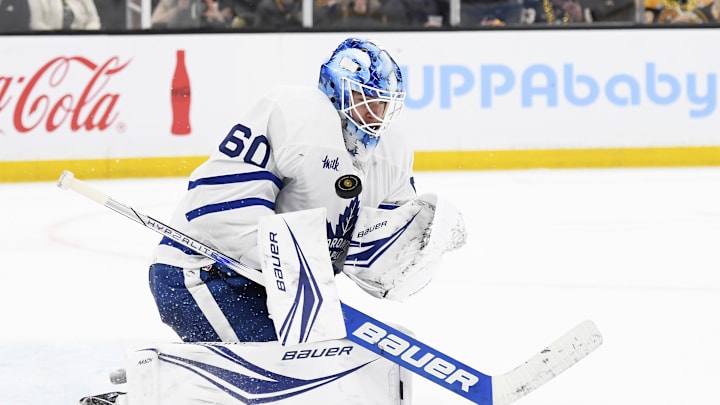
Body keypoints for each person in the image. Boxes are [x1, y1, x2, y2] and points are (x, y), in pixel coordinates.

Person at [78, 37, 466, 404]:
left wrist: (423, 241)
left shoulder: (391, 154)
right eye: (365, 100)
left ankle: (155, 391)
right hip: (200, 273)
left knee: (324, 377)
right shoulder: (296, 116)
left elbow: (377, 256)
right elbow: (218, 216)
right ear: (334, 90)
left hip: (280, 293)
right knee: (283, 384)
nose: (374, 115)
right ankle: (146, 396)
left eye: (383, 105)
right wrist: (296, 270)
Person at [28, 0, 101, 29]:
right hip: (50, 44)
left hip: (81, 43)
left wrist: (85, 36)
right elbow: (36, 24)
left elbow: (94, 21)